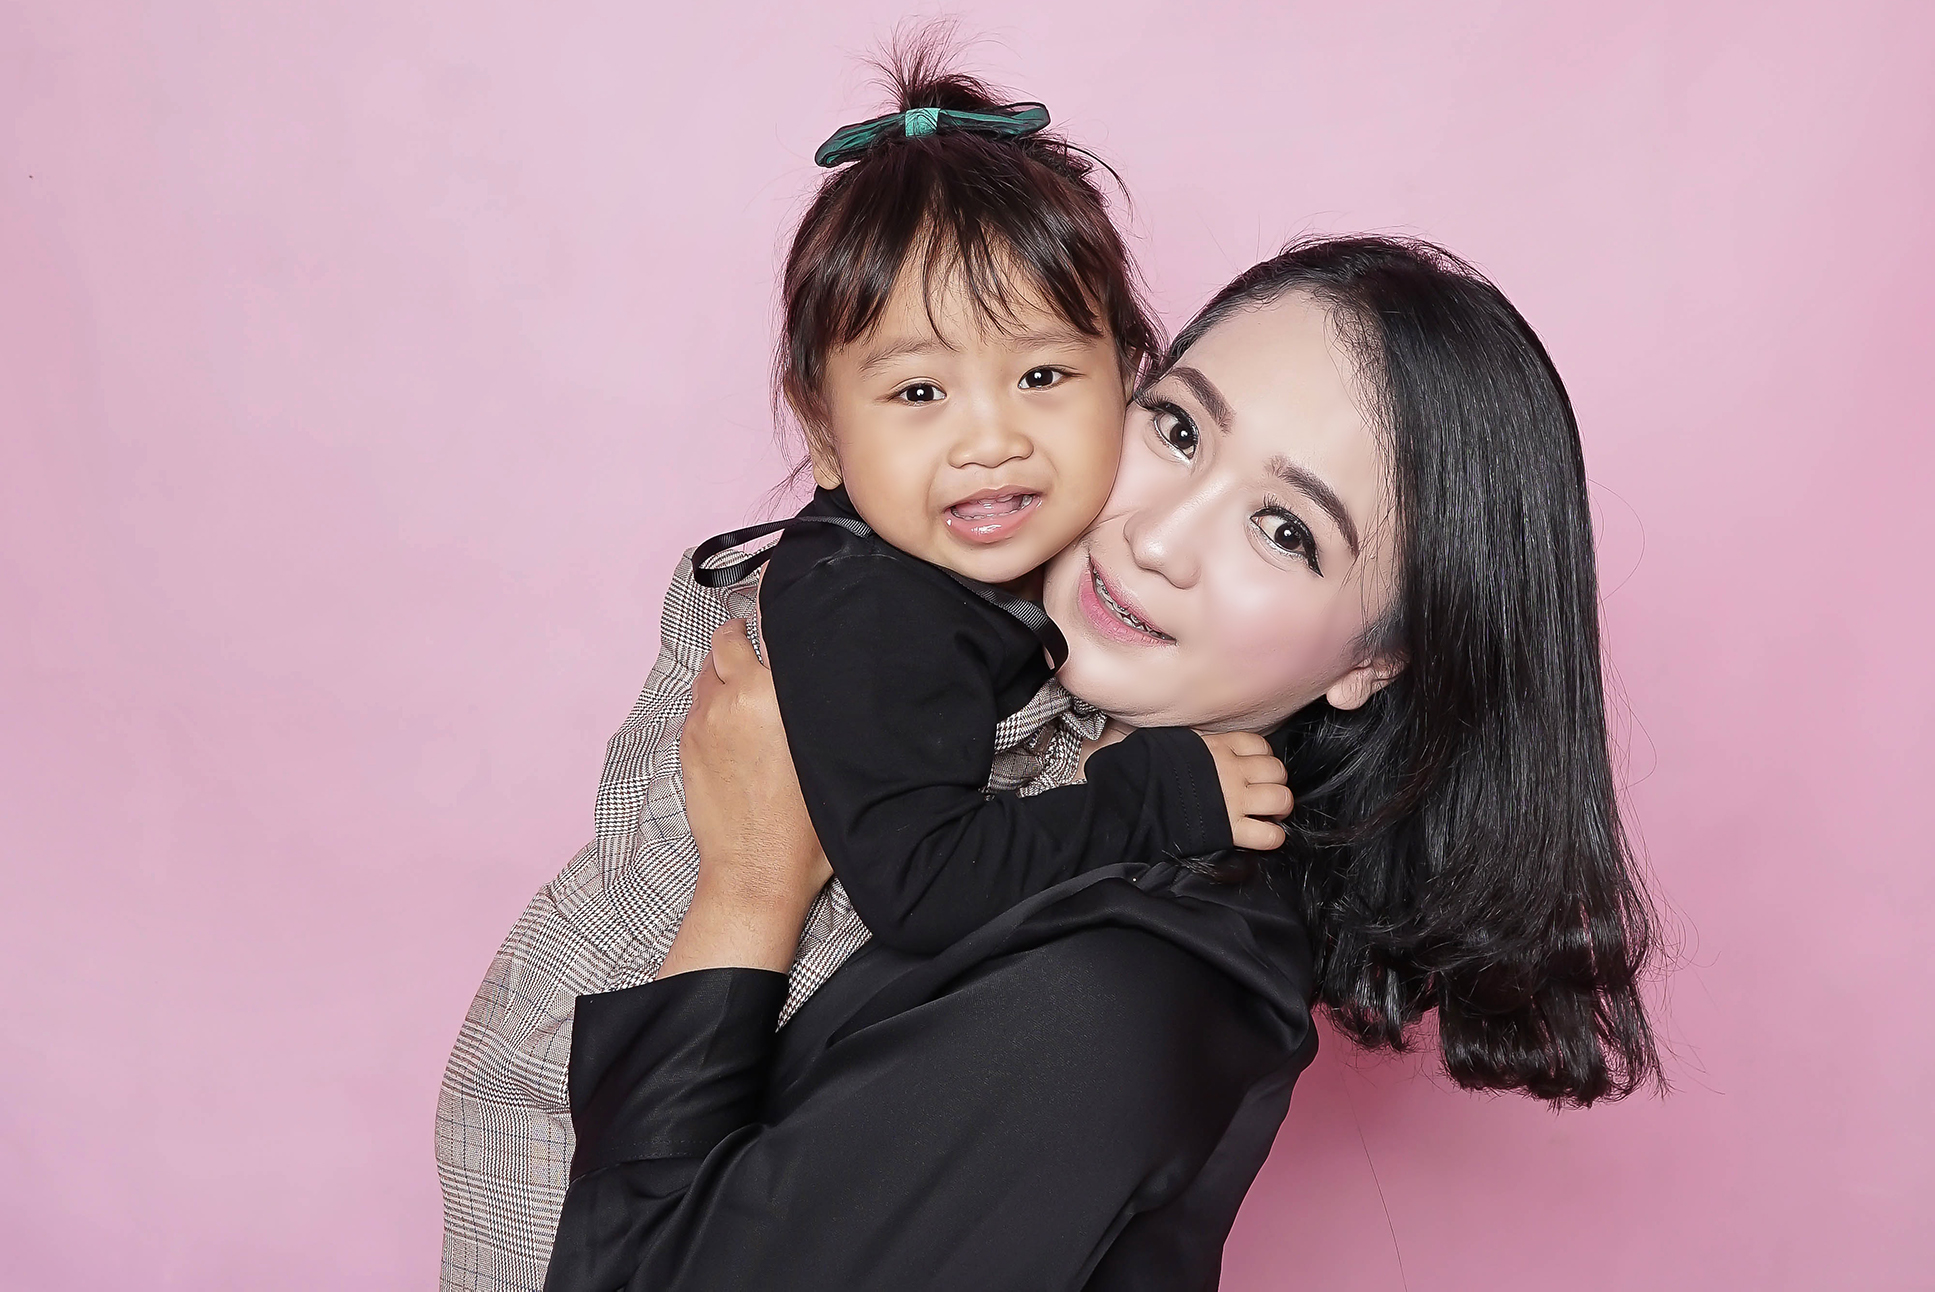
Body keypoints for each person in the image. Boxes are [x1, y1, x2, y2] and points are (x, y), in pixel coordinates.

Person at [542, 236, 1663, 1290]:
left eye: (1285, 530)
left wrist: (749, 888)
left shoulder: (1111, 1000)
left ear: (1374, 662)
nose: (1158, 539)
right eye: (1178, 429)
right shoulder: (995, 713)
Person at [436, 53, 1292, 1292]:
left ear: (1130, 373)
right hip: (592, 1125)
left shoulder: (1016, 583)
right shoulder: (864, 610)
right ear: (827, 430)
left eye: (1044, 376)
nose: (989, 437)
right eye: (919, 391)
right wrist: (1160, 791)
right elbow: (926, 889)